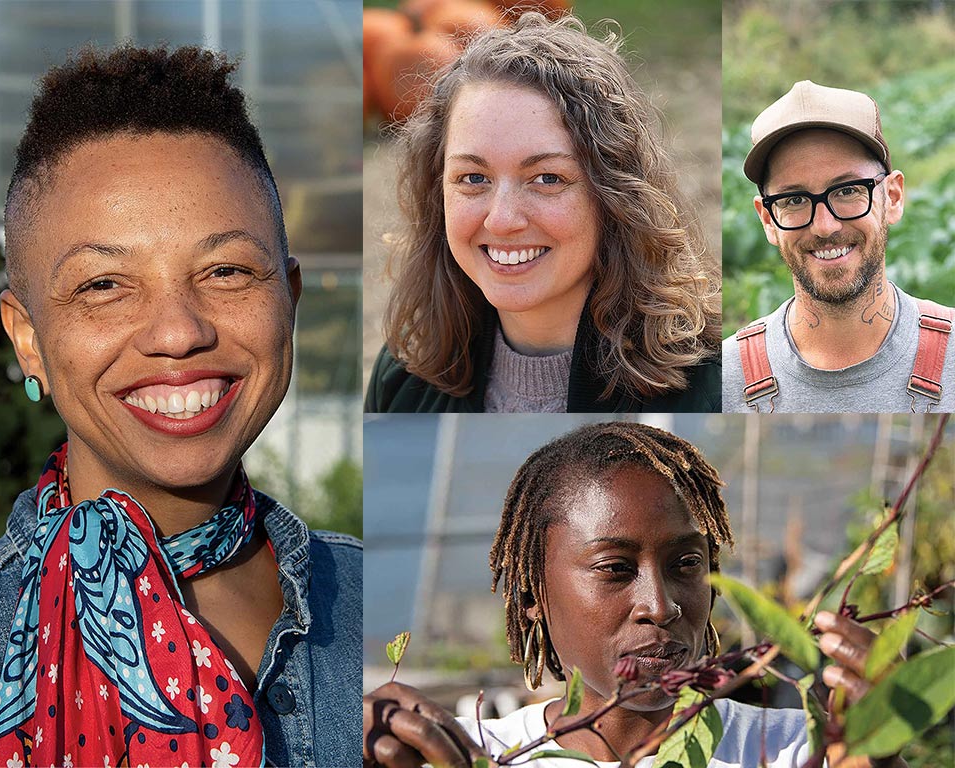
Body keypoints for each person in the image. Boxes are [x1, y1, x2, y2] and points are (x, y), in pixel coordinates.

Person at [0, 46, 361, 768]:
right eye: (103, 285)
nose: (178, 332)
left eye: (226, 270)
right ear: (27, 339)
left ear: (288, 296)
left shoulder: (372, 615)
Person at [363, 422, 907, 767]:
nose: (661, 605)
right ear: (534, 593)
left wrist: (879, 749)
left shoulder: (793, 751)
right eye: (615, 568)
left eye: (686, 564)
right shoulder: (465, 755)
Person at [364, 13, 721, 413]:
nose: (501, 219)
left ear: (616, 193)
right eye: (473, 178)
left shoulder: (710, 391)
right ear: (438, 190)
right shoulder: (401, 380)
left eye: (547, 179)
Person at [723, 80, 954, 413]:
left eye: (847, 191)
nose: (824, 226)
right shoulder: (727, 377)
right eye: (795, 199)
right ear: (768, 220)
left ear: (893, 196)